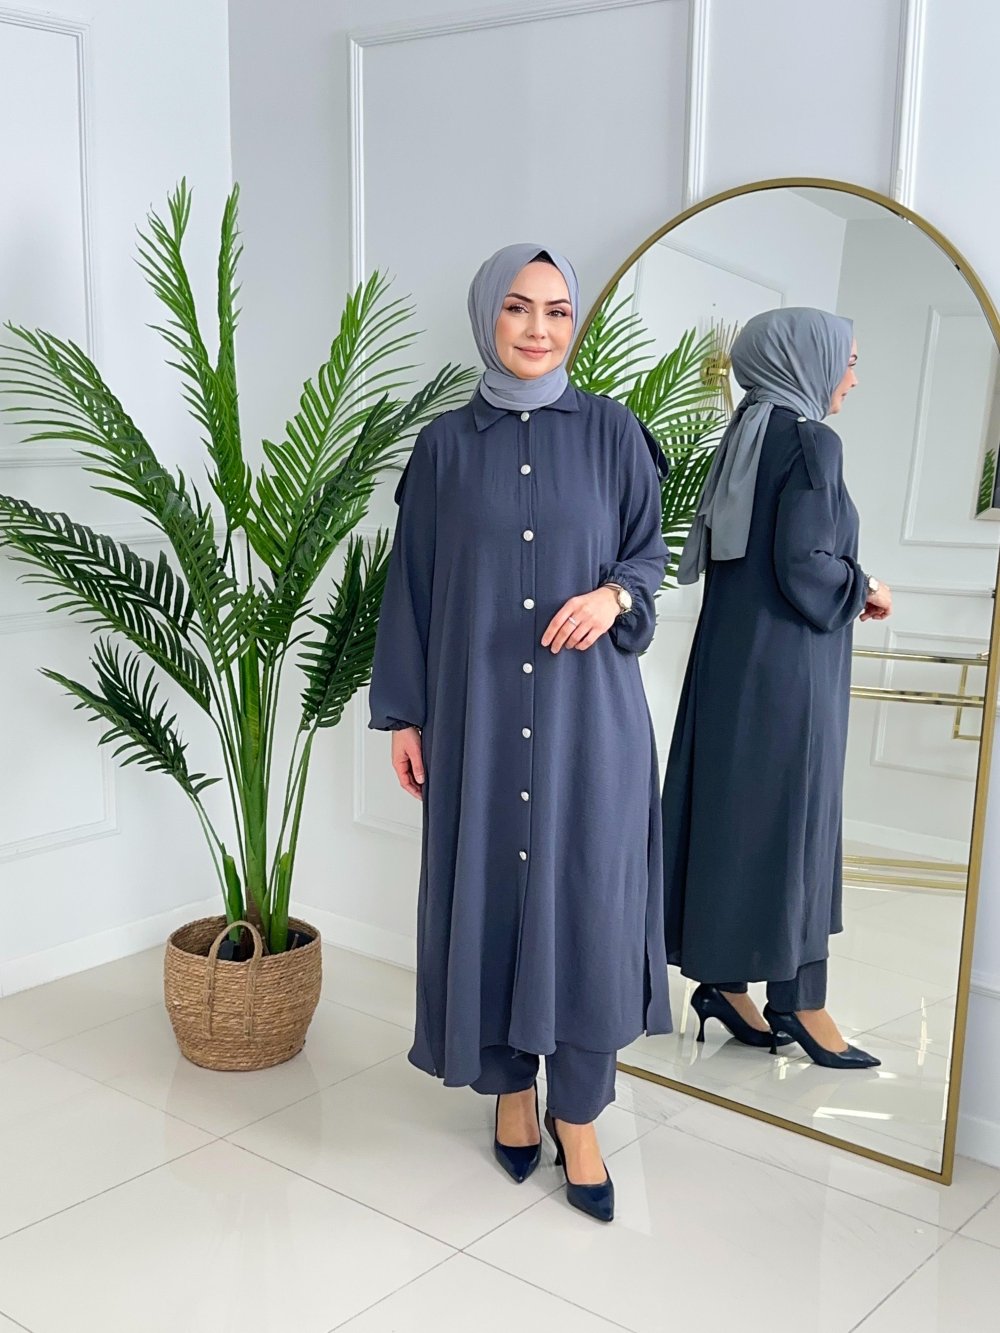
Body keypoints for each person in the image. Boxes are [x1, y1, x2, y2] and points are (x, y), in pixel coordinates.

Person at [368, 243, 671, 1222]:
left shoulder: (615, 433)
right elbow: (411, 590)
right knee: (490, 898)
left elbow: (648, 556)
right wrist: (404, 714)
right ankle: (508, 1087)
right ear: (486, 317)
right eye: (517, 307)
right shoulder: (444, 448)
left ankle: (577, 1114)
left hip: (593, 726)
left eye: (556, 310)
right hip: (480, 721)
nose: (539, 329)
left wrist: (612, 594)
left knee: (588, 910)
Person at [661, 306, 892, 1070]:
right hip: (791, 674)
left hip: (729, 668)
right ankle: (801, 999)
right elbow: (806, 566)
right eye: (847, 361)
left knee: (733, 819)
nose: (851, 379)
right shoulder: (809, 442)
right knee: (797, 825)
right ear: (807, 360)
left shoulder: (744, 437)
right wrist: (866, 586)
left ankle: (724, 982)